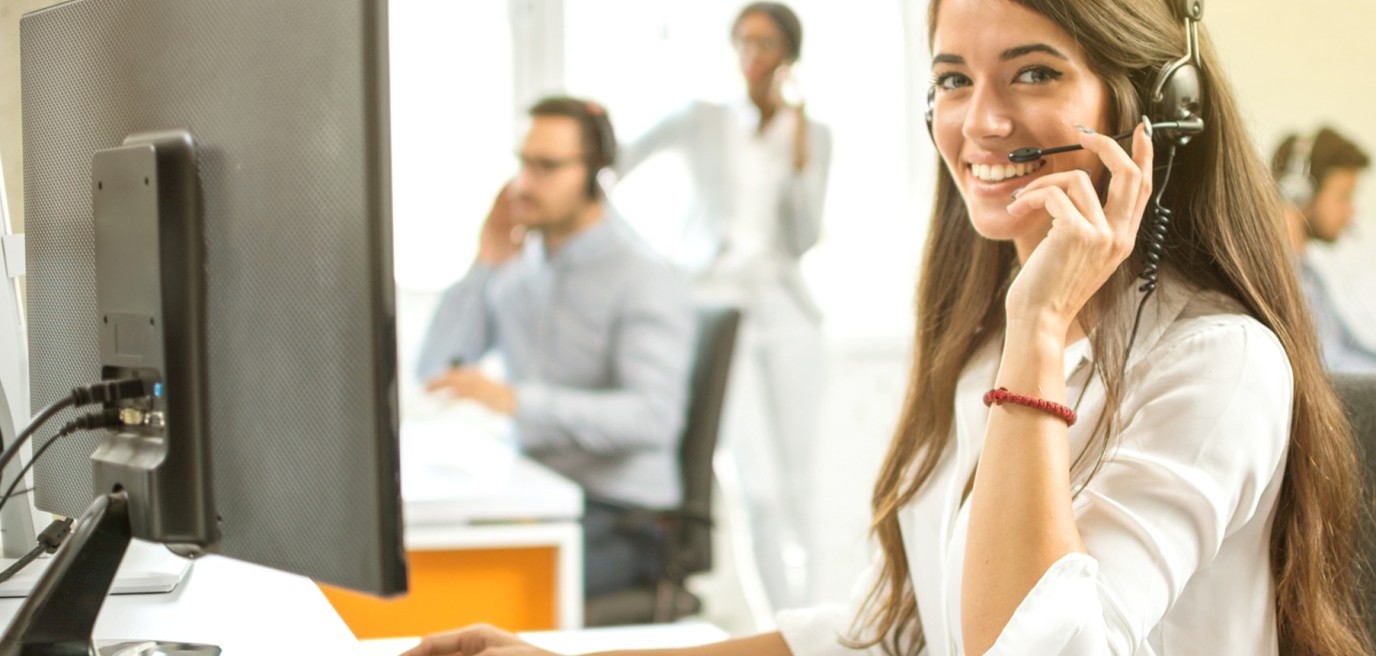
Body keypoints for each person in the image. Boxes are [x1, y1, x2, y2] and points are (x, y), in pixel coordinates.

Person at [403, 0, 1369, 654]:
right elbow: (895, 634)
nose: (978, 122)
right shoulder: (985, 347)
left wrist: (1037, 321)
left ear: (1161, 109)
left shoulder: (1218, 363)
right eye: (952, 79)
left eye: (1032, 72)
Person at [416, 96, 696, 599]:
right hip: (538, 496)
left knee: (473, 594)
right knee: (425, 565)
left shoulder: (642, 276)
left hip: (622, 519)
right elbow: (435, 370)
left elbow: (654, 417)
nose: (525, 183)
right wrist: (485, 262)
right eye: (523, 163)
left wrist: (518, 401)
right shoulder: (520, 268)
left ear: (594, 174)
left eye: (547, 167)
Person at [615, 1, 832, 609]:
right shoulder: (701, 120)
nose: (750, 56)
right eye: (741, 42)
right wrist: (659, 265)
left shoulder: (813, 136)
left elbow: (803, 237)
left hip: (785, 310)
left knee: (799, 485)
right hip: (716, 304)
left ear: (788, 55)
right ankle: (778, 626)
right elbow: (618, 161)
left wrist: (797, 163)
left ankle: (814, 624)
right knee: (754, 486)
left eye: (763, 44)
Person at [1271, 126, 1376, 373]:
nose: (1351, 211)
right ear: (1298, 193)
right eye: (1343, 197)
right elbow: (1330, 370)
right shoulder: (1280, 280)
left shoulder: (1310, 275)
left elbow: (1348, 352)